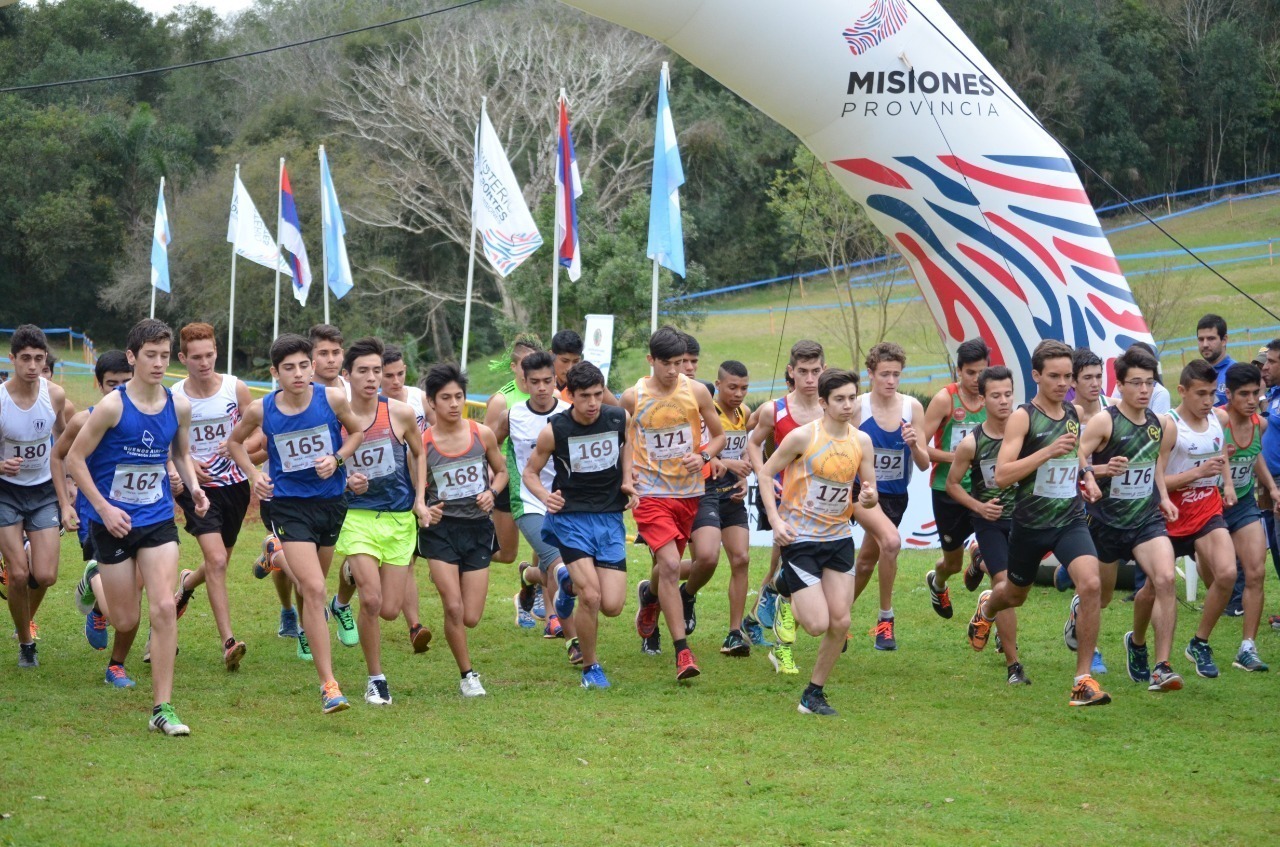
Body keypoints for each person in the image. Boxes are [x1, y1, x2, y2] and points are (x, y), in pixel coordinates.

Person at [66, 319, 207, 735]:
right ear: (132, 357)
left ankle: (162, 708)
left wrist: (195, 489)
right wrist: (104, 508)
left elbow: (180, 455)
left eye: (165, 356)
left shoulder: (177, 405)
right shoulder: (113, 406)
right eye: (151, 356)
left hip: (157, 517)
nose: (160, 363)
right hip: (112, 523)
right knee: (126, 620)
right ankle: (94, 582)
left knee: (164, 606)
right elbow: (75, 459)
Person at [967, 339, 1111, 707]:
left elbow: (1074, 451)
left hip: (1069, 518)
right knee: (1014, 594)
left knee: (1091, 583)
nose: (1063, 383)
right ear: (1036, 376)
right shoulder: (1022, 417)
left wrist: (1088, 475)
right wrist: (1046, 451)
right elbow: (1001, 475)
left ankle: (1082, 680)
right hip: (1029, 524)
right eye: (1054, 376)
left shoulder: (1074, 414)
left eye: (1068, 376)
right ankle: (987, 607)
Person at [227, 333, 365, 714]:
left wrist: (336, 460)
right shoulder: (262, 410)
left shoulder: (333, 399)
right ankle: (329, 685)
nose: (299, 373)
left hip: (331, 504)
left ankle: (275, 554)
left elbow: (357, 432)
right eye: (289, 368)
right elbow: (234, 443)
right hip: (289, 507)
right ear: (275, 372)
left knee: (310, 589)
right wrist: (254, 475)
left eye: (305, 365)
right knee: (316, 589)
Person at [759, 368, 877, 716]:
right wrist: (776, 520)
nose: (847, 405)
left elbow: (869, 495)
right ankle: (784, 589)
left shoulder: (862, 441)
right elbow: (766, 474)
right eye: (839, 399)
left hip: (839, 538)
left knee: (841, 623)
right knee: (816, 624)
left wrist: (868, 498)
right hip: (801, 539)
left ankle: (813, 694)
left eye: (852, 398)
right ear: (823, 402)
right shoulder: (801, 437)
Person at [1077, 344, 1184, 692]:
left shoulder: (1162, 425)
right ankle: (1081, 618)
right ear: (1120, 385)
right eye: (1136, 383)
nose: (1143, 390)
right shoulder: (1105, 420)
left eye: (1149, 383)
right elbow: (1078, 452)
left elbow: (1155, 465)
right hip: (1105, 522)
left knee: (1166, 579)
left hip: (1145, 520)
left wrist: (1164, 498)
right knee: (1101, 597)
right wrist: (1092, 475)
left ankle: (1161, 666)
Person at [523, 361, 636, 688]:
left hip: (610, 518)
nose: (592, 404)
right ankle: (591, 668)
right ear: (569, 395)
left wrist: (627, 480)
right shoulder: (554, 430)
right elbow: (530, 473)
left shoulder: (617, 418)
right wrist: (546, 496)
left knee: (612, 605)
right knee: (593, 596)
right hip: (571, 519)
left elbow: (628, 443)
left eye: (598, 395)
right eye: (585, 396)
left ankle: (566, 587)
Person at [332, 337, 431, 705]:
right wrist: (345, 479)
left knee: (390, 610)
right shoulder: (335, 417)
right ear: (347, 375)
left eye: (377, 371)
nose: (372, 378)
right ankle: (376, 678)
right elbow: (323, 465)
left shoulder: (401, 413)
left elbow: (419, 455)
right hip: (356, 517)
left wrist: (420, 500)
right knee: (371, 602)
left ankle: (347, 576)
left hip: (398, 518)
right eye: (363, 371)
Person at [624, 326, 725, 681]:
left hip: (691, 493)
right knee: (669, 563)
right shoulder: (631, 396)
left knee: (698, 559)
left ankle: (650, 596)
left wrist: (704, 455)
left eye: (679, 362)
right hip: (651, 495)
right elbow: (622, 438)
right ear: (651, 360)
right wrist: (626, 478)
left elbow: (719, 436)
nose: (673, 370)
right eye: (666, 363)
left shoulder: (696, 391)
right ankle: (683, 652)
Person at [417, 363, 508, 697]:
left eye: (459, 396)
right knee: (453, 607)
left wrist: (492, 492)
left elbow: (502, 472)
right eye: (446, 398)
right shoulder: (423, 444)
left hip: (477, 529)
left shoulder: (481, 434)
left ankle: (447, 576)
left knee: (470, 616)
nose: (454, 404)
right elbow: (415, 493)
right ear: (432, 403)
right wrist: (424, 510)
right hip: (440, 532)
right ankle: (468, 675)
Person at [170, 322, 252, 671]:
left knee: (220, 561)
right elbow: (163, 443)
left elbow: (259, 427)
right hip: (198, 489)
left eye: (209, 355)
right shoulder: (174, 396)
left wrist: (239, 447)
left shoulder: (235, 388)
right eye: (196, 357)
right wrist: (183, 468)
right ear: (183, 357)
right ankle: (228, 641)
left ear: (216, 352)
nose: (204, 363)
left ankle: (186, 584)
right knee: (217, 560)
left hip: (235, 486)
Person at [490, 351, 578, 662]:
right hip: (526, 500)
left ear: (556, 379)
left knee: (554, 564)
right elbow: (492, 445)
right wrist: (493, 475)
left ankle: (528, 579)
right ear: (524, 382)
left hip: (567, 502)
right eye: (535, 382)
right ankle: (571, 638)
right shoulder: (512, 416)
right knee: (559, 561)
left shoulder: (571, 412)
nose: (542, 388)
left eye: (548, 381)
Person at [745, 341, 826, 674]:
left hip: (819, 501)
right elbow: (753, 441)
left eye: (816, 371)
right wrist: (764, 472)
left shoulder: (830, 407)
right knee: (792, 562)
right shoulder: (774, 410)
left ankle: (767, 600)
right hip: (781, 498)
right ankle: (780, 638)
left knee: (787, 566)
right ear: (791, 372)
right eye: (803, 371)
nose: (810, 378)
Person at [945, 366, 1028, 685]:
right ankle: (1014, 665)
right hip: (990, 521)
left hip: (1024, 521)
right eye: (996, 395)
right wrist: (979, 507)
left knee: (1018, 591)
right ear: (982, 399)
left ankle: (986, 606)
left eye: (1008, 394)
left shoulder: (1026, 434)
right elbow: (953, 484)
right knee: (1005, 582)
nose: (1004, 401)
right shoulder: (971, 443)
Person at [1162, 359, 1236, 679]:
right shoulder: (1169, 425)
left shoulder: (1219, 417)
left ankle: (1199, 642)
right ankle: (1138, 643)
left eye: (1212, 393)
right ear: (1182, 391)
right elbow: (1156, 482)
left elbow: (1220, 457)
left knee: (1227, 573)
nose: (1208, 401)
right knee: (1154, 590)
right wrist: (1196, 473)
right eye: (1200, 394)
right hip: (1169, 515)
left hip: (1207, 510)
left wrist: (1228, 484)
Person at [57, 350, 132, 664]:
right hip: (93, 514)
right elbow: (58, 455)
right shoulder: (83, 420)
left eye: (124, 383)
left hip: (134, 513)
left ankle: (96, 602)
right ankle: (95, 584)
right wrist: (65, 501)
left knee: (132, 586)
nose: (117, 391)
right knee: (122, 613)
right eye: (110, 384)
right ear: (98, 384)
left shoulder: (144, 418)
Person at [0, 325, 69, 666]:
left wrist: (67, 490)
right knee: (17, 573)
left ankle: (22, 618)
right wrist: (1, 465)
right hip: (5, 492)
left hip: (42, 492)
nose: (31, 366)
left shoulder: (54, 395)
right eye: (24, 358)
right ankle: (27, 643)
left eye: (38, 359)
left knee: (45, 575)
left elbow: (65, 442)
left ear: (45, 362)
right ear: (11, 359)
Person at [852, 342, 927, 651]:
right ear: (870, 374)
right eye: (884, 374)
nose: (891, 381)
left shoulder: (912, 408)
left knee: (867, 561)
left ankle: (838, 616)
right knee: (892, 542)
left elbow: (923, 464)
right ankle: (886, 619)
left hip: (896, 495)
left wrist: (913, 445)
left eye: (896, 374)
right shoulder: (857, 406)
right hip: (863, 493)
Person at [922, 338, 989, 620]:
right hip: (947, 489)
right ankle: (937, 583)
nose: (976, 379)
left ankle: (978, 565)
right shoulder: (945, 399)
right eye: (970, 373)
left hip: (983, 488)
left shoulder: (994, 398)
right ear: (958, 371)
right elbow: (921, 448)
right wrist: (960, 457)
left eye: (981, 373)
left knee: (995, 555)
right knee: (951, 562)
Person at [1215, 362, 1275, 671]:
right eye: (1244, 394)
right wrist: (1224, 482)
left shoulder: (1259, 425)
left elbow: (1255, 457)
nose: (1252, 400)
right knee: (1218, 577)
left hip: (1242, 506)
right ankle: (1197, 640)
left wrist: (1272, 488)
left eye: (1256, 393)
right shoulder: (1216, 420)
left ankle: (1247, 647)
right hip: (1208, 507)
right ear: (1228, 394)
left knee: (1256, 572)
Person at [379, 345, 434, 653]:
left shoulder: (417, 398)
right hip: (375, 495)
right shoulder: (367, 404)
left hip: (413, 489)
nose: (396, 381)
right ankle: (344, 598)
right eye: (389, 375)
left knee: (407, 559)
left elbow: (433, 434)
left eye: (400, 373)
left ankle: (414, 626)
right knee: (368, 562)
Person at [700, 360, 756, 656]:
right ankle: (677, 594)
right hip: (703, 494)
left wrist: (743, 475)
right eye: (732, 387)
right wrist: (724, 463)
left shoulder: (744, 413)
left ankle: (734, 632)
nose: (738, 393)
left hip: (732, 496)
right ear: (718, 384)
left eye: (744, 388)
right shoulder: (705, 411)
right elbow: (698, 451)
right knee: (702, 563)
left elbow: (744, 447)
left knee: (742, 558)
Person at [483, 334, 542, 608]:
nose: (531, 372)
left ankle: (540, 588)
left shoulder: (548, 395)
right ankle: (461, 556)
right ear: (514, 367)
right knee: (507, 553)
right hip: (508, 480)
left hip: (542, 477)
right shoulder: (501, 400)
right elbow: (486, 442)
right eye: (524, 365)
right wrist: (489, 476)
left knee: (547, 540)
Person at [1258, 339, 1280, 630]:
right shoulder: (1273, 395)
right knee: (1275, 545)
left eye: (1271, 362)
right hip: (1267, 481)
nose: (1265, 367)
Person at [1196, 314, 1234, 407]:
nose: (1205, 344)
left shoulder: (1235, 373)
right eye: (1201, 339)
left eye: (1211, 338)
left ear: (1224, 340)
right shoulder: (1195, 373)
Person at [1072, 348, 1109, 423]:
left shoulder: (1116, 408)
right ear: (1073, 381)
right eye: (1087, 378)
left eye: (1098, 376)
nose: (1095, 384)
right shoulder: (1064, 416)